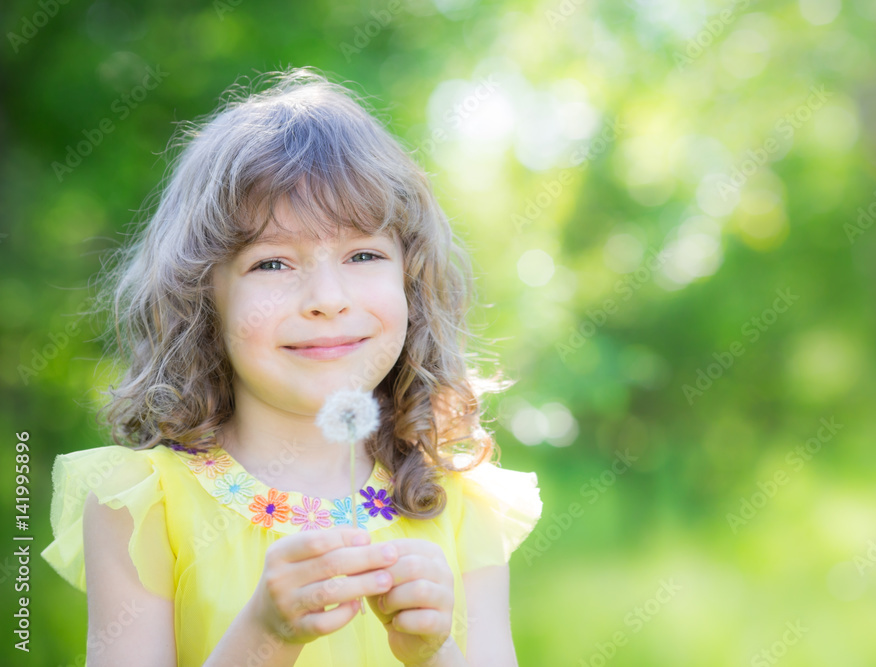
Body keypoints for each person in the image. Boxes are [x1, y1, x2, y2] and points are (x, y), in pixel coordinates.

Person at [40, 66, 542, 667]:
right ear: (202, 296)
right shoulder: (145, 505)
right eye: (273, 264)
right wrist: (267, 635)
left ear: (411, 279)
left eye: (363, 253)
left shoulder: (456, 499)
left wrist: (435, 652)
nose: (327, 298)